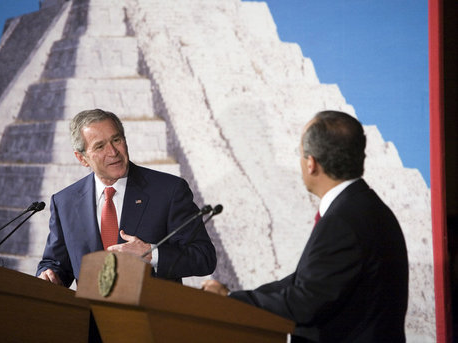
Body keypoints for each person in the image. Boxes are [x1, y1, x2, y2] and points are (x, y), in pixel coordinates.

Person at [202, 111, 409, 342]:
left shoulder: (344, 220)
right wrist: (234, 297)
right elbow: (305, 281)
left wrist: (231, 300)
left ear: (311, 163)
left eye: (299, 154)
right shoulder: (364, 207)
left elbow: (305, 302)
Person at [37, 109, 216, 287]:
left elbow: (203, 257)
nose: (113, 151)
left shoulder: (168, 190)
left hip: (153, 311)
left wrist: (151, 253)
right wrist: (49, 275)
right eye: (100, 146)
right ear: (82, 158)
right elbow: (55, 264)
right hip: (90, 313)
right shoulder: (65, 202)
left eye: (116, 140)